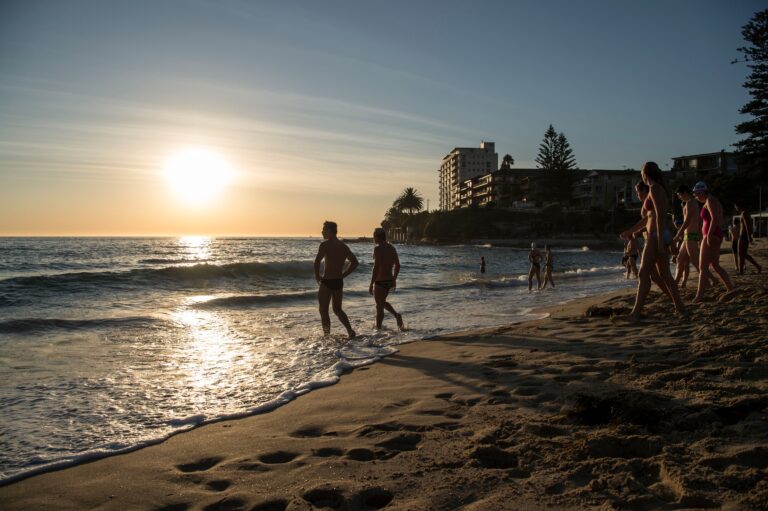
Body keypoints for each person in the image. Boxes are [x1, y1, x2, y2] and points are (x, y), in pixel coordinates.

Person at [621, 163, 685, 320]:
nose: (641, 175)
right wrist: (631, 231)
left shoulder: (655, 189)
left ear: (646, 174)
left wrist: (660, 241)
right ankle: (680, 308)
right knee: (664, 274)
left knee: (644, 273)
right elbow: (649, 218)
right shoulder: (655, 189)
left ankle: (635, 313)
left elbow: (660, 215)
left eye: (642, 172)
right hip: (657, 234)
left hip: (655, 235)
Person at [691, 182, 735, 302]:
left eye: (698, 194)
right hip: (715, 234)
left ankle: (699, 295)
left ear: (703, 191)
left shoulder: (710, 200)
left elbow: (715, 218)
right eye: (695, 195)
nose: (697, 196)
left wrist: (708, 235)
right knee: (715, 265)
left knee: (703, 267)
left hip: (712, 235)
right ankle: (730, 287)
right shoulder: (711, 200)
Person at [314, 221, 358, 339]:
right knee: (337, 309)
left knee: (323, 310)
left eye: (324, 229)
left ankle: (327, 336)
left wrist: (317, 276)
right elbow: (355, 262)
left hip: (327, 281)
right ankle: (350, 331)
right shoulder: (343, 246)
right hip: (338, 281)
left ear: (330, 230)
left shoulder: (325, 245)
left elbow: (317, 261)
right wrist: (344, 275)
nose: (322, 232)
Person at [369, 227, 405, 331]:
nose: (373, 238)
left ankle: (378, 330)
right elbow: (398, 265)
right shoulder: (392, 248)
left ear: (378, 237)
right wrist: (394, 279)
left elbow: (376, 267)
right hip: (389, 280)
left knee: (379, 306)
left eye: (374, 236)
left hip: (380, 281)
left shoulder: (377, 249)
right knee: (381, 303)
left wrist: (371, 283)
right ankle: (396, 316)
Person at [672, 184, 702, 288]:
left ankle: (708, 280)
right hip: (688, 236)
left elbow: (687, 221)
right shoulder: (690, 203)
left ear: (684, 193)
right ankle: (675, 282)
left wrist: (677, 235)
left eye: (679, 195)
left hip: (690, 235)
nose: (679, 197)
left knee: (695, 261)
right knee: (680, 258)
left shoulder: (690, 203)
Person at [735, 201, 762, 274]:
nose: (736, 208)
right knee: (743, 254)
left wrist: (749, 236)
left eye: (736, 207)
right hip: (744, 236)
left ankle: (741, 271)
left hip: (744, 236)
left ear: (739, 206)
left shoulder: (744, 213)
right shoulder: (745, 212)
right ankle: (756, 267)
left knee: (741, 254)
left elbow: (747, 225)